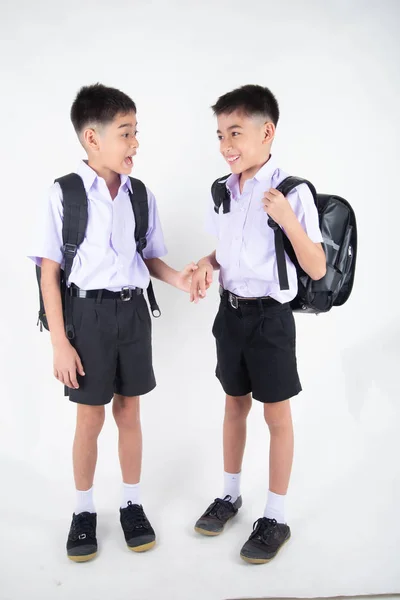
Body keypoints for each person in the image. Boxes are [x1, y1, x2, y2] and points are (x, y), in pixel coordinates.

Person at [28, 83, 196, 562]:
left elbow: (150, 259)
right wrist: (60, 341)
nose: (135, 143)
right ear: (92, 138)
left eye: (136, 132)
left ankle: (131, 504)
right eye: (126, 133)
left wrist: (182, 281)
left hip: (132, 312)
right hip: (86, 314)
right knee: (90, 417)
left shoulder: (139, 194)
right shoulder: (63, 194)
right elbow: (49, 272)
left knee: (129, 412)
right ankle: (83, 511)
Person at [190, 84, 326, 564]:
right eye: (221, 134)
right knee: (233, 405)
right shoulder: (224, 189)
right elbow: (225, 252)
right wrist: (207, 263)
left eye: (236, 132)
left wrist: (288, 219)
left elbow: (316, 267)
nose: (226, 144)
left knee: (276, 416)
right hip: (230, 313)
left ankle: (276, 515)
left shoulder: (292, 191)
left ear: (267, 132)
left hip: (270, 318)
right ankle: (230, 495)